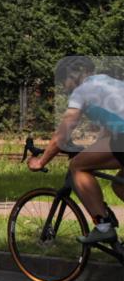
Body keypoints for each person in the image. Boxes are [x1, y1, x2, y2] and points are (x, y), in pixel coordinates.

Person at [28, 56, 124, 244]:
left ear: (73, 76)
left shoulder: (81, 92)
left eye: (64, 80)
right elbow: (108, 130)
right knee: (120, 184)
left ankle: (103, 226)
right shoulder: (106, 81)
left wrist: (41, 161)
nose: (64, 87)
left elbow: (62, 135)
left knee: (78, 166)